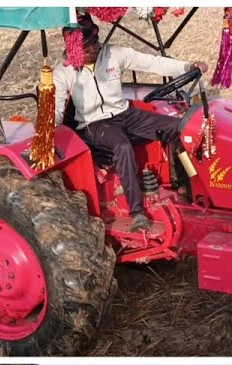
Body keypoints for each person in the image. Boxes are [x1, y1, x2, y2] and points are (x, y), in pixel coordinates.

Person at [53, 14, 208, 231]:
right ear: (74, 50)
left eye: (96, 43)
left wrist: (187, 66)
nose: (95, 50)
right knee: (122, 146)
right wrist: (52, 133)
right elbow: (57, 106)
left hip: (124, 113)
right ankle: (137, 212)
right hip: (93, 124)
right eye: (87, 48)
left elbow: (152, 62)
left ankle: (185, 186)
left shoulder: (114, 54)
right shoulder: (63, 72)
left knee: (178, 128)